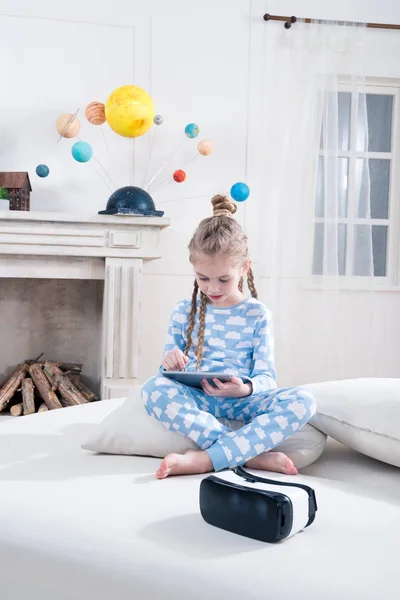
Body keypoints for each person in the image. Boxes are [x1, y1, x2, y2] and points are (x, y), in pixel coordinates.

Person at [141, 194, 316, 479]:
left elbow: (266, 378)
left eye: (223, 279)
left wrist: (244, 389)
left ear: (244, 269)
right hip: (199, 398)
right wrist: (170, 363)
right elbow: (166, 374)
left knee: (304, 399)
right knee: (152, 389)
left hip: (244, 401)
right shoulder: (184, 310)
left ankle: (206, 460)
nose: (212, 288)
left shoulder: (257, 315)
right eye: (202, 278)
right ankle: (251, 455)